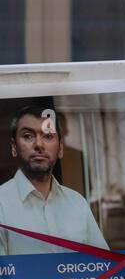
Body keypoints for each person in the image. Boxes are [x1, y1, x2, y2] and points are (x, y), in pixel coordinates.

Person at [0, 104, 109, 256]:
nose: (39, 144)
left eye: (48, 136)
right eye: (28, 136)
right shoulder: (2, 204)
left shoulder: (77, 203)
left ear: (60, 148)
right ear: (13, 147)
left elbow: (103, 266)